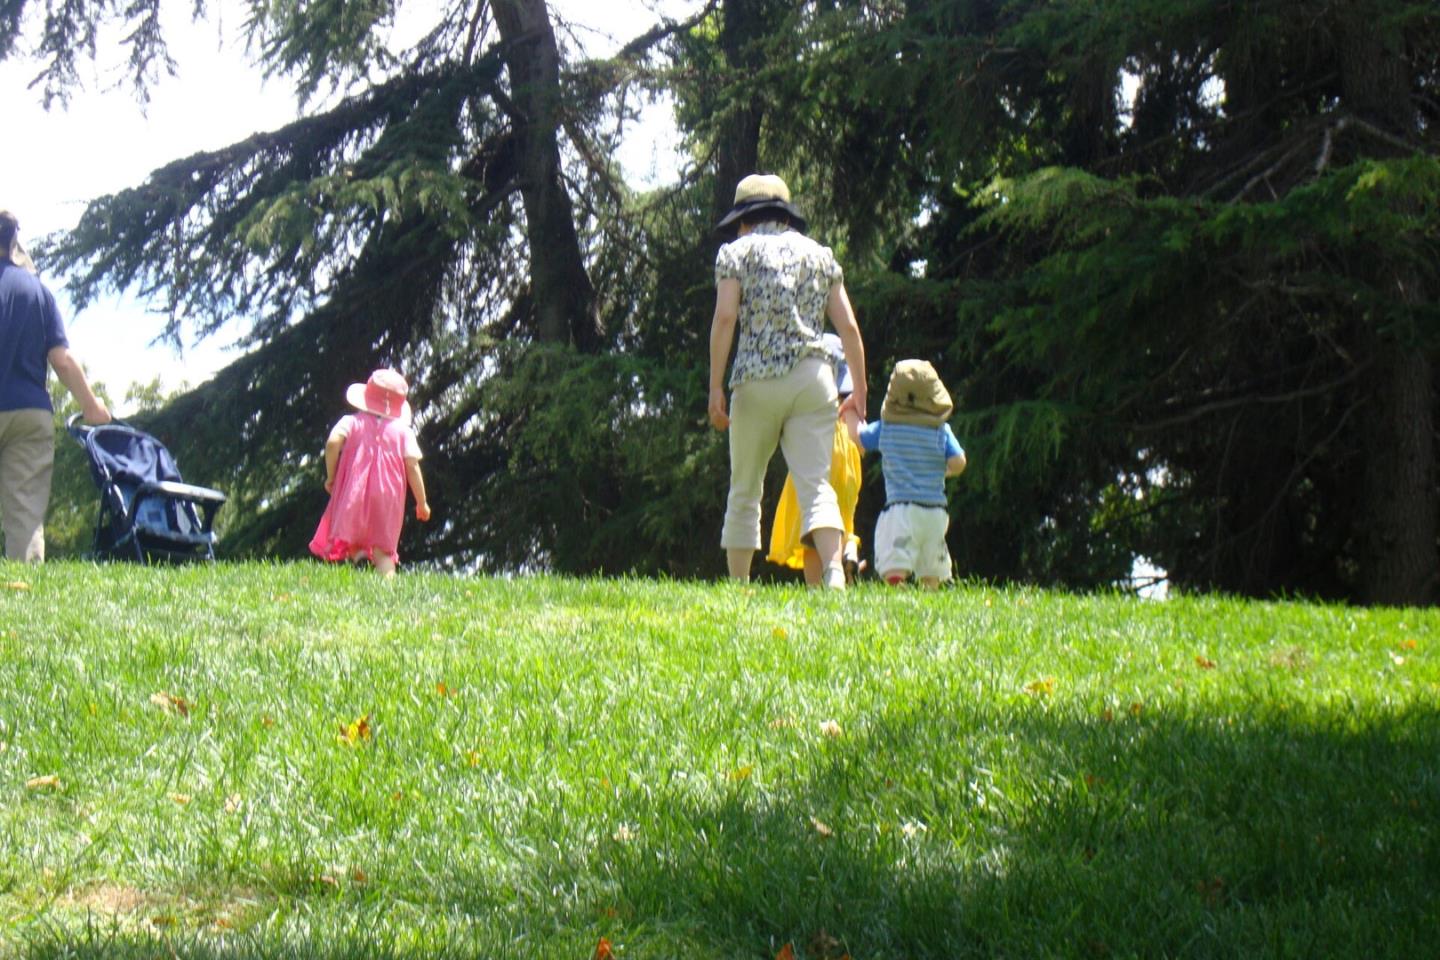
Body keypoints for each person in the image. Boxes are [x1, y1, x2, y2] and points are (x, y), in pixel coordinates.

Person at [709, 174, 867, 590]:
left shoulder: (736, 252)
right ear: (784, 214)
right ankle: (834, 574)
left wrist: (715, 387)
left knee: (745, 486)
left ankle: (739, 587)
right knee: (816, 484)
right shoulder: (818, 254)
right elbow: (847, 326)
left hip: (755, 379)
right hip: (813, 379)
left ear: (744, 220)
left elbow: (726, 318)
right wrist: (861, 393)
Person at [0, 209, 111, 562]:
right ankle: (24, 595)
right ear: (14, 242)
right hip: (30, 415)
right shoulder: (38, 292)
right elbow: (61, 360)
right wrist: (93, 408)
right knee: (25, 512)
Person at [843, 359, 966, 589]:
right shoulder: (941, 431)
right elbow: (959, 462)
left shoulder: (887, 428)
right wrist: (945, 471)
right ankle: (930, 586)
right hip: (935, 511)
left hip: (901, 509)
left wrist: (850, 408)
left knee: (894, 553)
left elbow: (857, 437)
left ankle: (897, 584)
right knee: (931, 559)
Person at [309, 368, 431, 576]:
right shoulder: (403, 432)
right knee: (384, 551)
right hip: (388, 494)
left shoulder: (351, 421)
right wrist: (422, 502)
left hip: (354, 489)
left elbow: (332, 444)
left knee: (354, 536)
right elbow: (412, 466)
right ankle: (389, 589)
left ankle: (360, 558)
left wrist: (331, 476)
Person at [765, 332, 863, 586]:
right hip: (847, 468)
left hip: (815, 462)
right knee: (840, 521)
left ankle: (815, 587)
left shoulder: (805, 403)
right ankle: (848, 551)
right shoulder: (848, 403)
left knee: (813, 524)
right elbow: (858, 443)